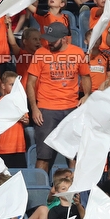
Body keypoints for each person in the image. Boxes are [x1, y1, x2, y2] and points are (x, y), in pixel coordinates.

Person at [27, 22, 91, 171]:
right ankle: (41, 189)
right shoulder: (41, 53)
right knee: (43, 155)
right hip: (46, 109)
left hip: (72, 108)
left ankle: (74, 191)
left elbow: (86, 76)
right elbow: (30, 83)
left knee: (74, 154)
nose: (49, 42)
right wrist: (34, 108)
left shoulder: (77, 53)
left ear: (64, 38)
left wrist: (87, 95)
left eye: (53, 39)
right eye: (48, 39)